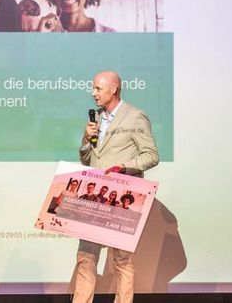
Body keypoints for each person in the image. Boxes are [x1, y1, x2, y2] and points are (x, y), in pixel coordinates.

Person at [72, 70, 159, 303]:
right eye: (93, 88)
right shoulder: (96, 119)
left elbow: (151, 155)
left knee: (122, 260)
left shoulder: (135, 117)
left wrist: (124, 167)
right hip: (95, 198)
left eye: (98, 89)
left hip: (122, 198)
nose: (93, 93)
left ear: (114, 89)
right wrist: (85, 139)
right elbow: (88, 159)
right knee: (85, 257)